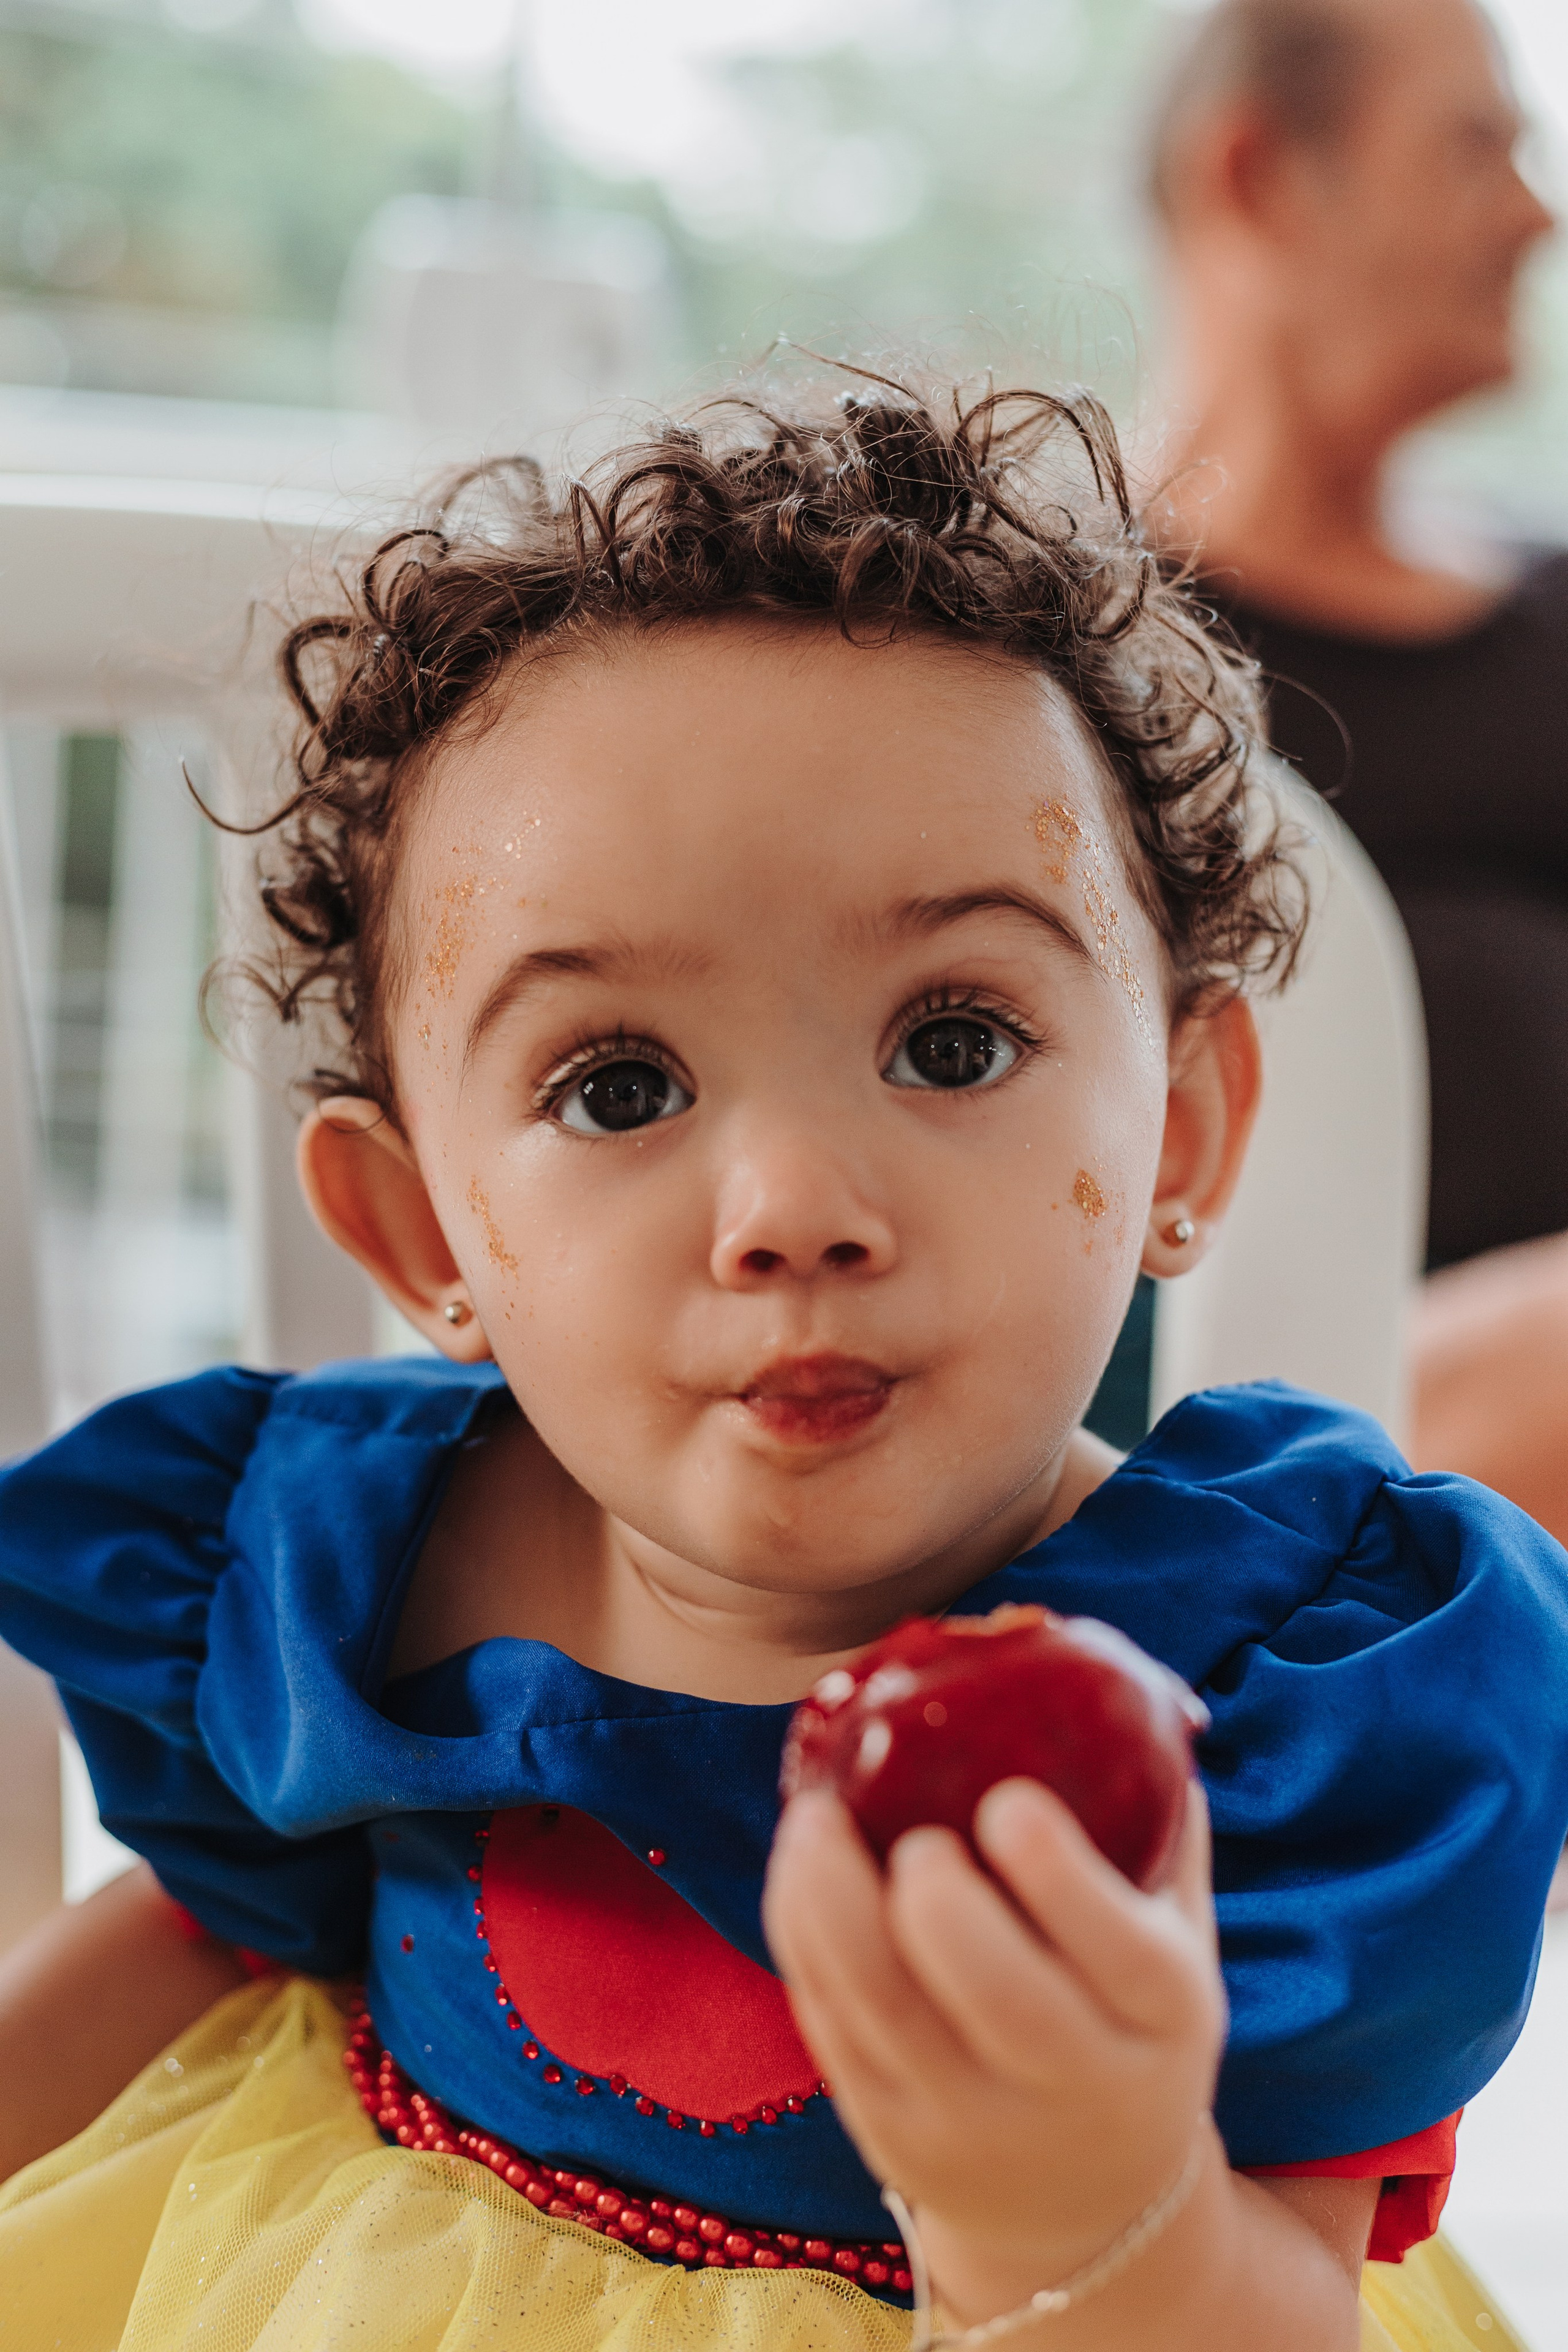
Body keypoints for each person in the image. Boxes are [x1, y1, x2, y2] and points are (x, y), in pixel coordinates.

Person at [0, 376, 1563, 2352]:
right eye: (619, 1085)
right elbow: (206, 1937)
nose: (797, 1207)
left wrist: (1098, 2210)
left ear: (1176, 1136)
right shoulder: (338, 1561)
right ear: (421, 1236)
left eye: (953, 1043)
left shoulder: (1284, 1682)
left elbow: (1284, 2309)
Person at [1147, 0, 1568, 1540]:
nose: (1533, 215)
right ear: (1258, 175)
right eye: (1474, 147)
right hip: (1291, 1441)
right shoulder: (1062, 657)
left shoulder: (1551, 617)